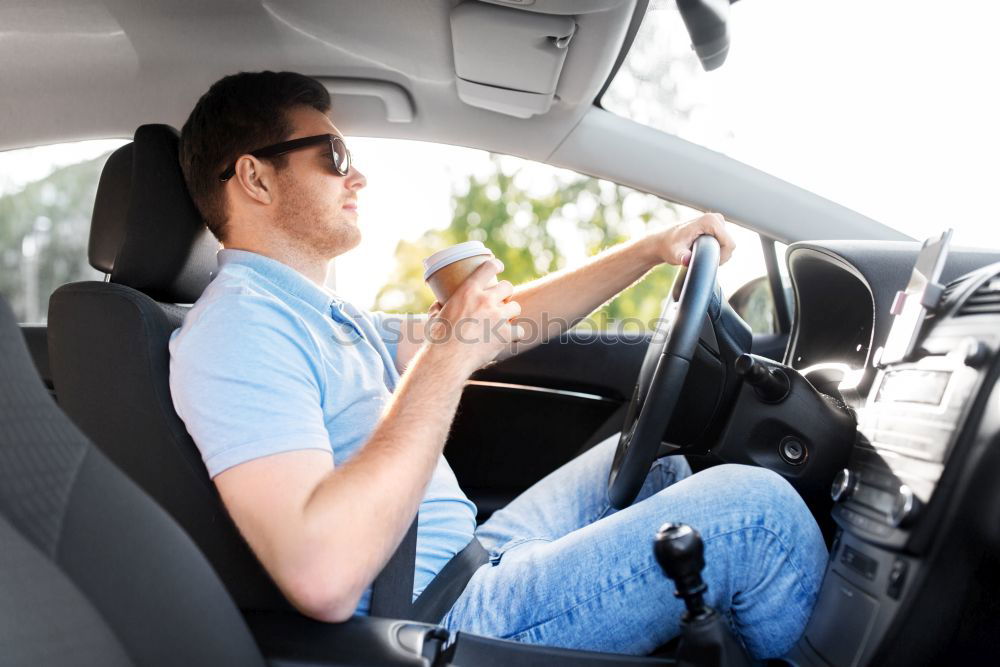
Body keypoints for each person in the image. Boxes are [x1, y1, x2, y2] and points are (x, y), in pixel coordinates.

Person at [169, 71, 827, 659]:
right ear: (255, 177)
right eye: (334, 156)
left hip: (471, 553)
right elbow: (321, 575)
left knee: (665, 466)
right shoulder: (238, 328)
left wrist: (652, 250)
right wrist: (448, 353)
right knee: (756, 513)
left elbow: (499, 328)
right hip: (438, 614)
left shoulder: (316, 312)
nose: (358, 176)